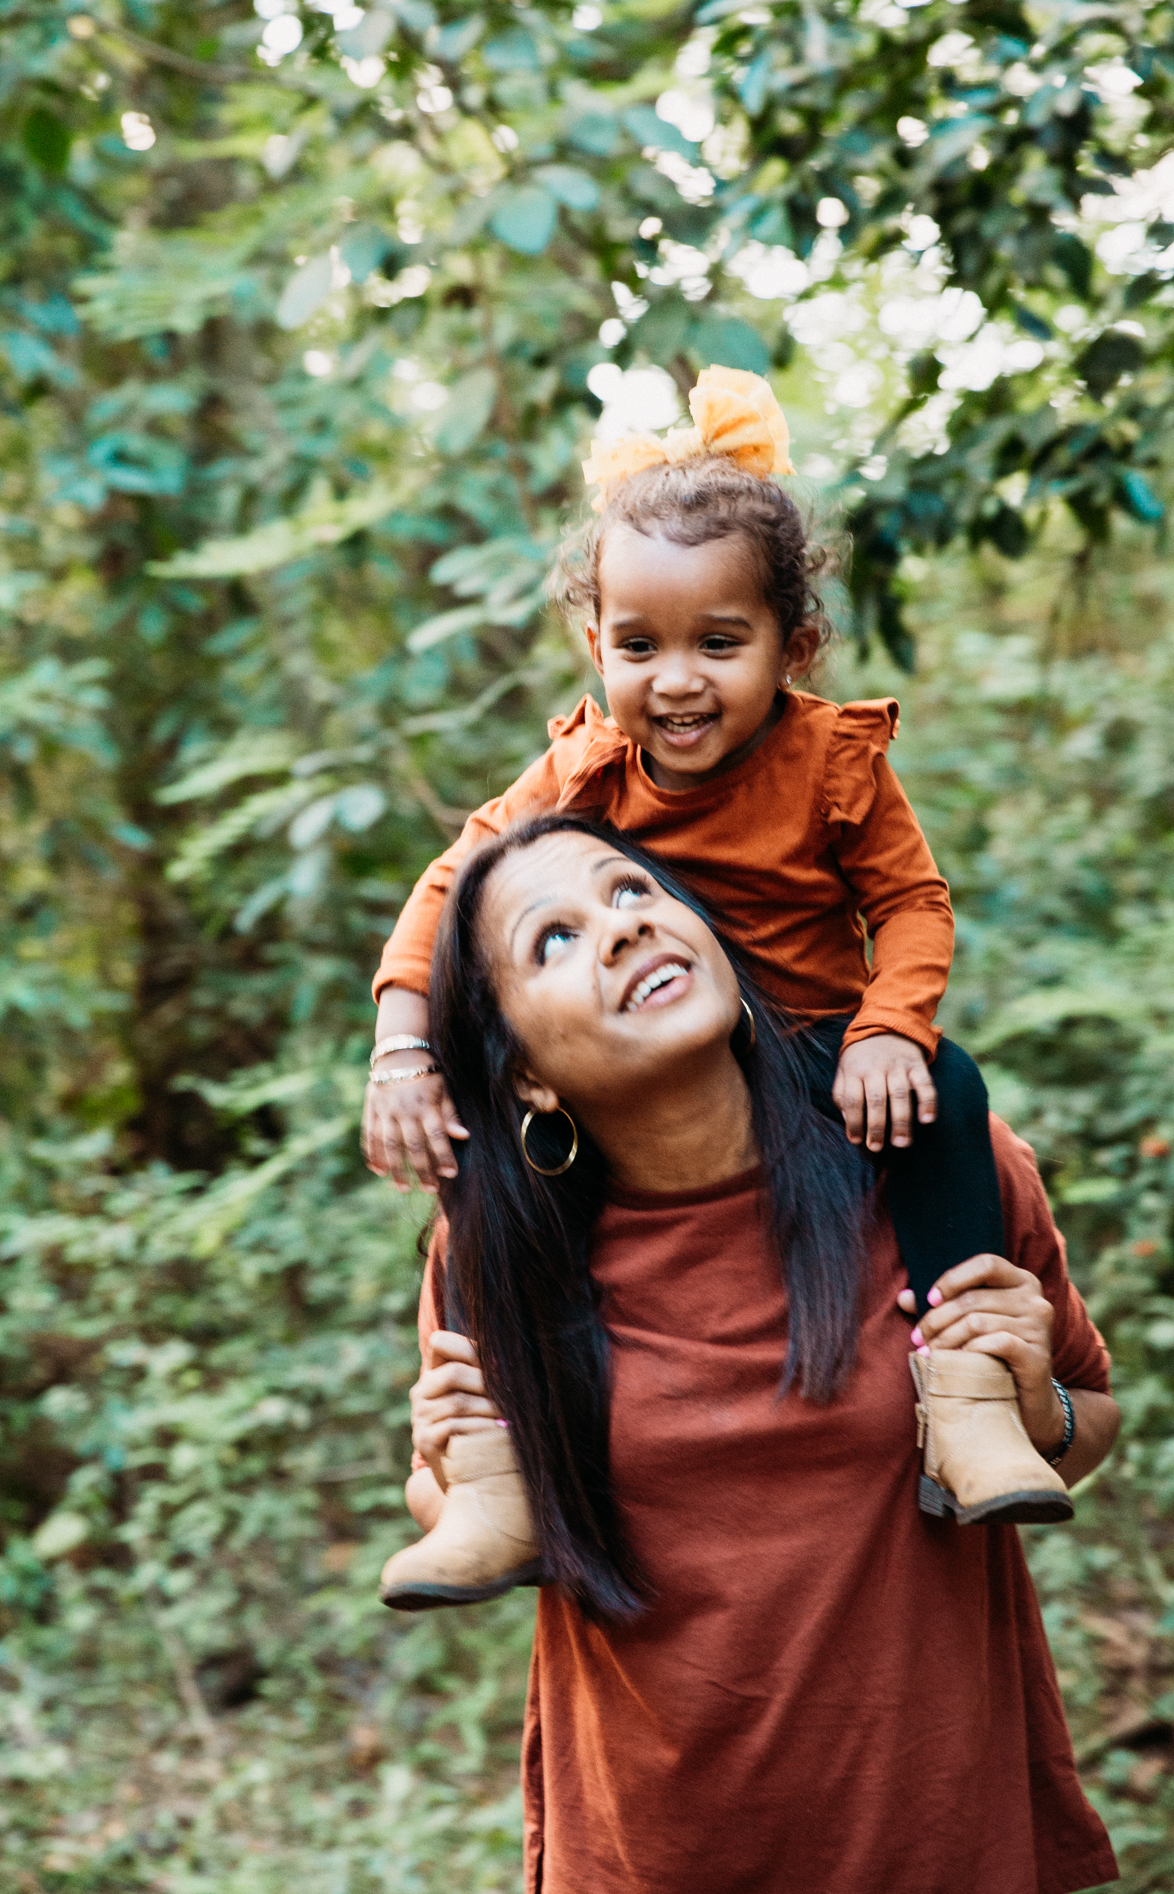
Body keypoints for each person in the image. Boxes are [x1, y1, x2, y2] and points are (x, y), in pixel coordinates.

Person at [366, 365, 1064, 1528]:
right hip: (655, 1068)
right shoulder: (586, 767)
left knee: (945, 1088)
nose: (676, 681)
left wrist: (888, 1030)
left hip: (822, 1049)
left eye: (719, 642)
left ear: (795, 644)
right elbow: (454, 886)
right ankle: (488, 1462)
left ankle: (969, 1393)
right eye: (639, 644)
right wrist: (402, 1051)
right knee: (484, 1161)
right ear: (594, 642)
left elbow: (911, 903)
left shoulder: (832, 761)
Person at [383, 816, 1120, 1894]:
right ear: (527, 1077)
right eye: (554, 938)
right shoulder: (499, 1252)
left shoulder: (930, 1174)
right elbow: (455, 1508)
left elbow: (1088, 1416)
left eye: (632, 892)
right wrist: (448, 1464)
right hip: (647, 1852)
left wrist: (1033, 1400)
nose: (622, 929)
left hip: (937, 1833)